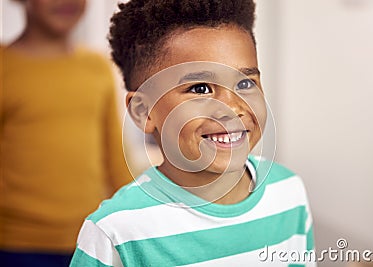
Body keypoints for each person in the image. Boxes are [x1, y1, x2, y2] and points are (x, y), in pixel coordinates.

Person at [70, 0, 316, 266]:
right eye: (200, 89)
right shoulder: (115, 232)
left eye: (245, 83)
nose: (232, 107)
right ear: (144, 112)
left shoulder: (289, 192)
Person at [0, 0, 132, 266]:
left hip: (90, 240)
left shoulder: (96, 68)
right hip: (15, 244)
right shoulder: (5, 68)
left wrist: (138, 217)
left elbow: (115, 157)